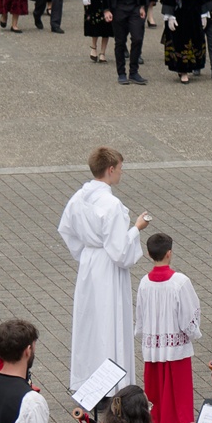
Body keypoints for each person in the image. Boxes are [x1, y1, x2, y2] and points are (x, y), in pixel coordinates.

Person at [58, 146, 149, 390]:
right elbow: (120, 252)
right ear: (110, 169)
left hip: (89, 264)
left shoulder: (79, 197)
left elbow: (66, 228)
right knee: (110, 321)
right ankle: (113, 384)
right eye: (120, 168)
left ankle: (88, 380)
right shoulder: (111, 204)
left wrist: (84, 252)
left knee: (89, 322)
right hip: (108, 268)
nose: (121, 172)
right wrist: (137, 228)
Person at [135, 232, 202, 423]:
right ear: (169, 253)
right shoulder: (180, 282)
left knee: (155, 387)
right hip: (175, 344)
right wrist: (192, 332)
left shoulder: (144, 282)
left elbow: (140, 312)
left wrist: (146, 332)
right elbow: (189, 313)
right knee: (178, 388)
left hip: (154, 343)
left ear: (148, 254)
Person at [160, 0, 208, 85]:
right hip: (179, 17)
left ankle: (190, 66)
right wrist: (170, 16)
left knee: (195, 40)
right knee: (180, 41)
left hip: (194, 15)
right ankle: (183, 70)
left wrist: (204, 14)